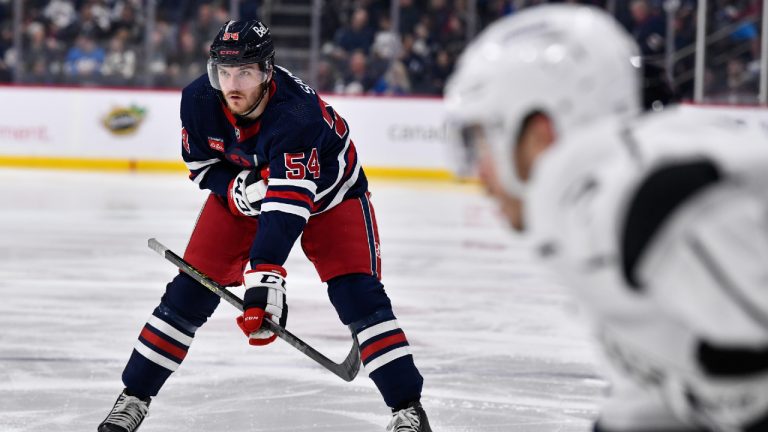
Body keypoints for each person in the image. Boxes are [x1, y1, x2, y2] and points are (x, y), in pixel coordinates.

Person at [445, 5, 768, 432]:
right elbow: (654, 403)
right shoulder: (591, 214)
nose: (479, 174)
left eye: (483, 140)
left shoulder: (649, 201)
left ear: (541, 133)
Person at [98, 19, 431, 432]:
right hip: (251, 192)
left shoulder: (296, 113)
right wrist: (235, 187)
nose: (233, 84)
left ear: (267, 72)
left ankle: (408, 409)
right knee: (188, 291)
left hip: (332, 195)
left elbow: (287, 207)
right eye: (224, 71)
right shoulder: (199, 100)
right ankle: (133, 398)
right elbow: (201, 166)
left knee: (358, 296)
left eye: (246, 72)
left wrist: (266, 275)